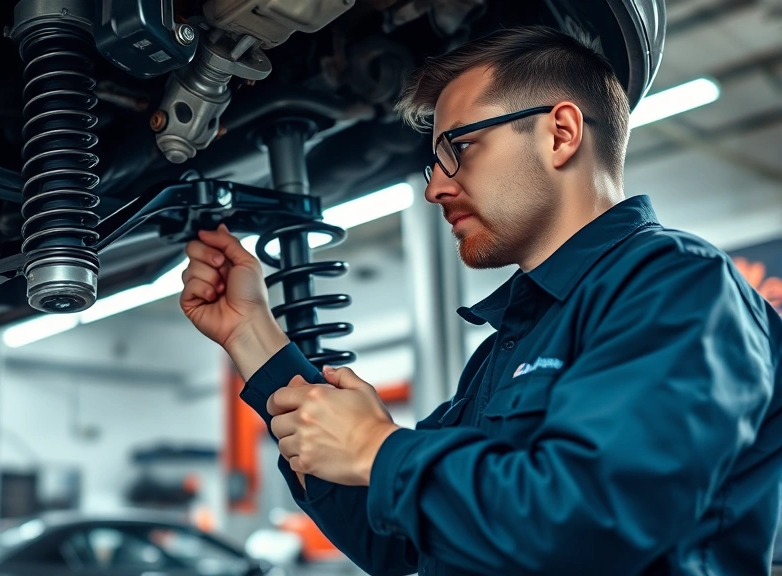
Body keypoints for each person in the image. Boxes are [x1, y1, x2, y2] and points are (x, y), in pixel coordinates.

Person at [178, 25, 782, 576]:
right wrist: (253, 335)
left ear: (561, 133)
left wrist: (377, 448)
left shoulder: (677, 286)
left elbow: (596, 519)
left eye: (458, 148)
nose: (436, 187)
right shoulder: (512, 341)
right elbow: (394, 539)